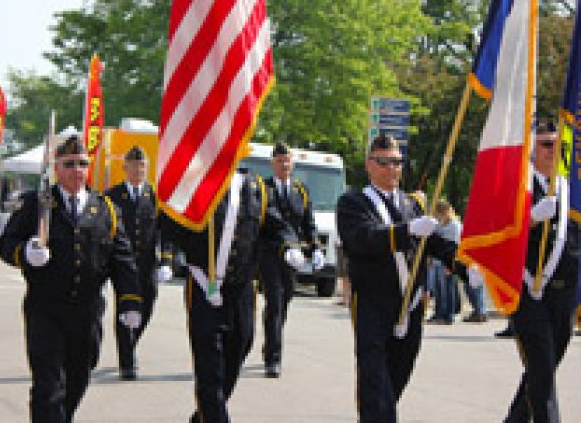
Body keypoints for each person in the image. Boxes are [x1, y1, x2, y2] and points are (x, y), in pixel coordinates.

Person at [0, 135, 142, 423]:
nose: (77, 170)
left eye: (83, 164)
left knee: (78, 380)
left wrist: (130, 301)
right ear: (56, 167)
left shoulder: (106, 209)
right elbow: (5, 243)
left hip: (86, 312)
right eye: (69, 164)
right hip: (46, 310)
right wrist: (25, 252)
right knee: (48, 386)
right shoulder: (37, 204)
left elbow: (122, 259)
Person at [337, 135, 462, 422]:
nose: (392, 169)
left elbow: (434, 244)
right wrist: (407, 232)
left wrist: (466, 265)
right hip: (374, 303)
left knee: (396, 379)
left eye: (397, 162)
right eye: (384, 162)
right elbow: (362, 239)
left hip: (411, 306)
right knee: (375, 382)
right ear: (370, 164)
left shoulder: (410, 204)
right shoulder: (354, 203)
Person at [161, 168, 301, 423]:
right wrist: (169, 256)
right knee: (209, 367)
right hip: (206, 287)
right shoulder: (196, 181)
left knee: (238, 352)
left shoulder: (254, 186)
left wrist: (289, 244)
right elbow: (169, 224)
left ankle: (205, 414)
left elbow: (275, 225)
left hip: (241, 289)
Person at [504, 122, 580, 422]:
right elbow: (501, 234)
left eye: (557, 145)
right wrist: (530, 218)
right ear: (531, 150)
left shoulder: (571, 189)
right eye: (546, 144)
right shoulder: (518, 188)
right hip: (529, 293)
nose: (553, 150)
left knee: (544, 367)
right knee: (542, 371)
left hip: (564, 294)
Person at [104, 145, 173, 380]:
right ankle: (127, 361)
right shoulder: (112, 196)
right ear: (125, 168)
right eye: (134, 166)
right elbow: (105, 232)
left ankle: (131, 342)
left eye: (142, 166)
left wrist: (166, 260)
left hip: (146, 262)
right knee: (125, 306)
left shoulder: (155, 196)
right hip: (121, 263)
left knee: (148, 304)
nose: (138, 170)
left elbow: (166, 232)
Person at [259, 142, 324, 378]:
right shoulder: (263, 189)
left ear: (293, 164)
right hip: (270, 255)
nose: (284, 165)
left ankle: (270, 341)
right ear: (272, 164)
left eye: (287, 161)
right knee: (274, 303)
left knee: (284, 302)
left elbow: (308, 222)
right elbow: (271, 219)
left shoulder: (301, 190)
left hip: (294, 258)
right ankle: (273, 359)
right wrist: (289, 245)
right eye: (279, 161)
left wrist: (315, 247)